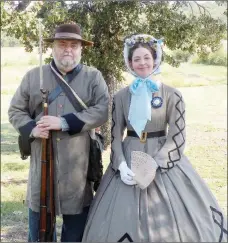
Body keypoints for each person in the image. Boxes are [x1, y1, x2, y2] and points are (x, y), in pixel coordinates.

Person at [82, 34, 227, 242]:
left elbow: (176, 136)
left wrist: (156, 165)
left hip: (161, 158)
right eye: (137, 59)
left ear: (155, 59)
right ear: (130, 63)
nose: (142, 63)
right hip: (130, 156)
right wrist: (121, 164)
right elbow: (115, 135)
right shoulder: (121, 97)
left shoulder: (172, 95)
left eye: (146, 57)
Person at [8, 22, 109, 242]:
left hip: (78, 168)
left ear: (81, 48)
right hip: (42, 163)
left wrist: (63, 122)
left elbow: (102, 110)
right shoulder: (34, 76)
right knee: (40, 230)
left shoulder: (94, 77)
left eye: (74, 45)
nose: (68, 49)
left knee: (76, 232)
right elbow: (15, 110)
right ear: (53, 47)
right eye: (62, 44)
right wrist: (32, 128)